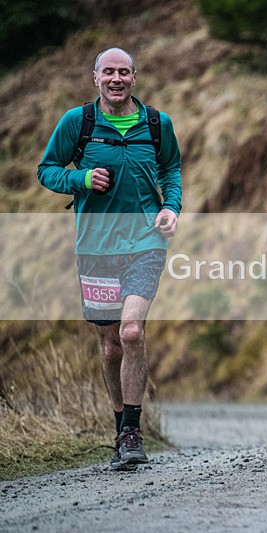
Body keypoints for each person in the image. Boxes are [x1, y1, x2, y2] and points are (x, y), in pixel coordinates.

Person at [37, 47, 182, 471]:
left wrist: (171, 208)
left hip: (145, 243)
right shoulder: (77, 123)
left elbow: (170, 171)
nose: (116, 78)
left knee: (132, 330)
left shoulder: (157, 124)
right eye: (108, 72)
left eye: (124, 72)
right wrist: (80, 178)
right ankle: (121, 429)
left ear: (134, 77)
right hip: (95, 247)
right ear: (95, 77)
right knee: (110, 343)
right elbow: (47, 169)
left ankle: (133, 431)